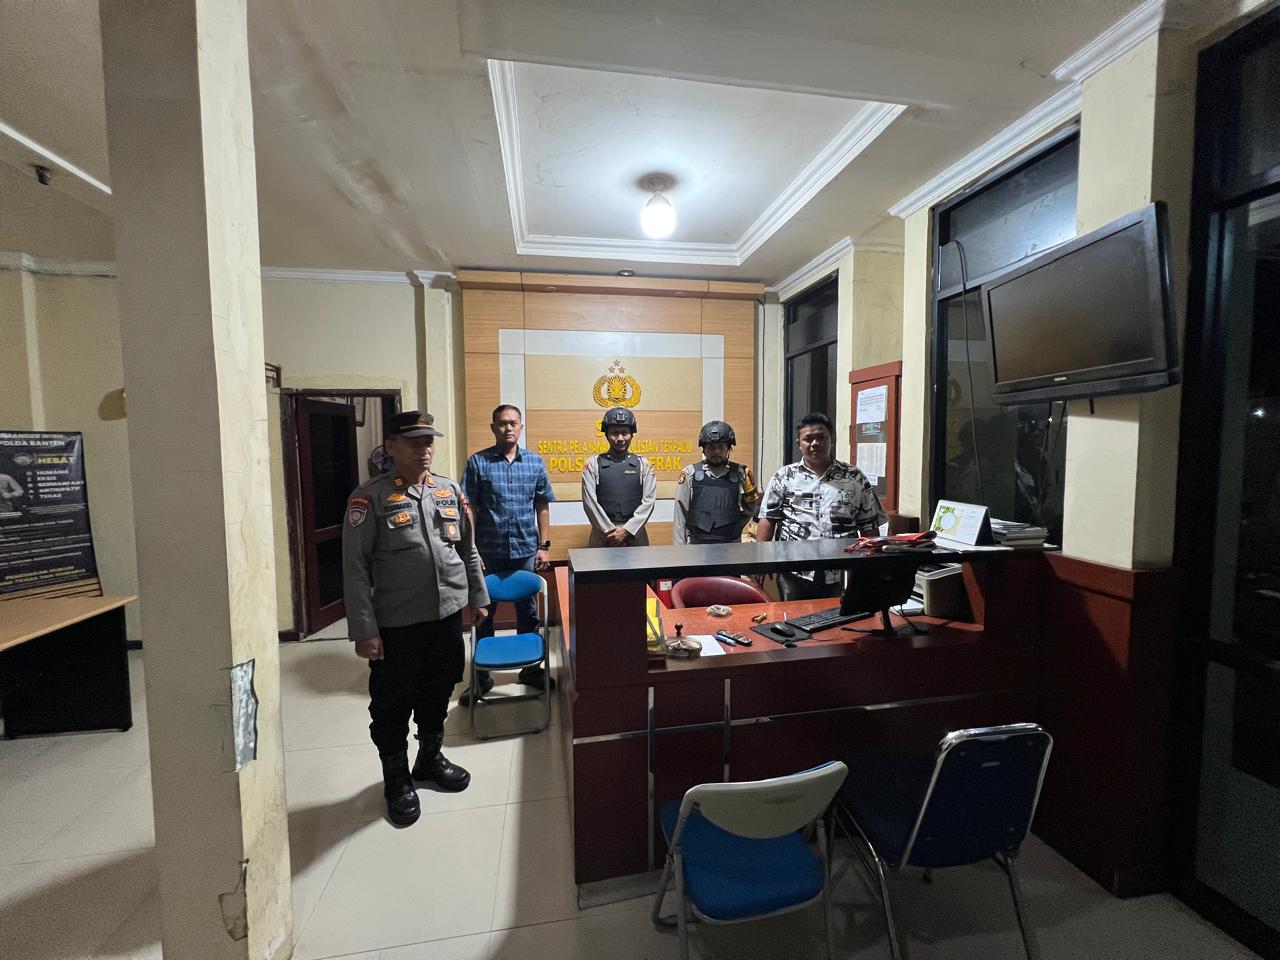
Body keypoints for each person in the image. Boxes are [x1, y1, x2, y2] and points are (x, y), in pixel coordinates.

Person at [342, 410, 490, 827]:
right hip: (397, 623)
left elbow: (467, 550)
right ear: (391, 447)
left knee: (438, 690)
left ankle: (429, 758)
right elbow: (355, 568)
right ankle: (396, 778)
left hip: (445, 617)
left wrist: (478, 596)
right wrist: (364, 629)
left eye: (428, 441)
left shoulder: (448, 490)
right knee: (392, 703)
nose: (424, 449)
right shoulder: (368, 498)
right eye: (413, 442)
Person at [460, 404, 555, 705]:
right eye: (502, 423)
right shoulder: (478, 462)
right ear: (493, 428)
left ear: (521, 427)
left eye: (514, 423)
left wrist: (544, 546)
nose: (508, 428)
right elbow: (469, 507)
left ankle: (530, 670)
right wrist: (471, 548)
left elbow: (542, 506)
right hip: (488, 551)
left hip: (525, 549)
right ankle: (482, 676)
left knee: (528, 611)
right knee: (483, 612)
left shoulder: (535, 462)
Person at [756, 411, 887, 601]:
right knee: (793, 617)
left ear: (832, 439)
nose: (815, 443)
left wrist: (871, 567)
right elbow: (768, 520)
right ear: (799, 443)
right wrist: (761, 562)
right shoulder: (784, 477)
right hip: (793, 571)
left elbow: (869, 526)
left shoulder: (854, 477)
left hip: (841, 571)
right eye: (808, 439)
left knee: (838, 616)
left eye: (821, 437)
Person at [672, 420, 762, 544]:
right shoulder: (689, 474)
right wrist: (679, 549)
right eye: (711, 447)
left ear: (729, 448)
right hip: (698, 545)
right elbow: (680, 515)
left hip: (731, 545)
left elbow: (751, 508)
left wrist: (735, 525)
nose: (716, 451)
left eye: (721, 447)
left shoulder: (741, 474)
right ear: (703, 449)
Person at [581, 407, 656, 547]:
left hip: (635, 535)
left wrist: (627, 530)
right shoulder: (592, 464)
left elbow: (649, 502)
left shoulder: (643, 465)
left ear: (632, 435)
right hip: (603, 536)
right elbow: (590, 503)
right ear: (607, 435)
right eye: (615, 433)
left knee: (638, 563)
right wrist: (611, 532)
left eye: (625, 433)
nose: (620, 438)